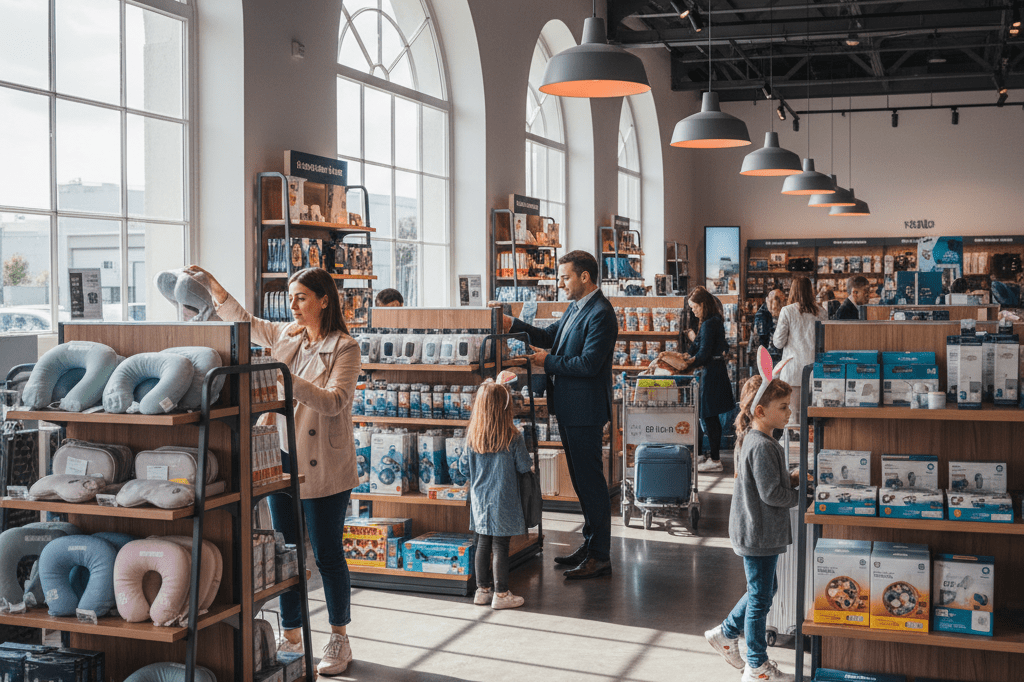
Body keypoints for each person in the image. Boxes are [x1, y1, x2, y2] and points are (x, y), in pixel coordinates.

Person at [186, 265, 360, 676]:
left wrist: (284, 377)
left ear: (323, 300)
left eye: (301, 297)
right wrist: (217, 288)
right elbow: (245, 322)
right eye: (290, 297)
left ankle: (339, 636)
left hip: (325, 462)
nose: (293, 305)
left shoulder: (345, 347)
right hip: (281, 453)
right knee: (288, 548)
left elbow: (336, 401)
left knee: (327, 552)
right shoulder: (287, 334)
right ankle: (293, 633)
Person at [498, 250, 618, 580]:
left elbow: (588, 364)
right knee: (581, 481)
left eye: (565, 277)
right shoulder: (577, 308)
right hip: (570, 408)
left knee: (591, 483)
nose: (560, 283)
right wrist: (513, 325)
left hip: (585, 411)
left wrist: (544, 362)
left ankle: (600, 555)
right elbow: (551, 336)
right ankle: (591, 545)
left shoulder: (601, 314)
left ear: (584, 277)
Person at [705, 375, 800, 682]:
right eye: (783, 407)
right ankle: (756, 665)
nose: (789, 413)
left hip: (759, 532)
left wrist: (793, 478)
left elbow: (769, 482)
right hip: (758, 533)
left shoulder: (759, 439)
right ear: (761, 411)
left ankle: (725, 632)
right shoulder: (762, 445)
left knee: (764, 590)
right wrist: (804, 495)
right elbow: (771, 494)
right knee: (760, 597)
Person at [465, 379, 534, 609]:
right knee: (500, 546)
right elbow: (524, 466)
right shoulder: (513, 437)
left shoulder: (472, 438)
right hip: (503, 499)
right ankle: (502, 594)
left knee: (482, 542)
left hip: (480, 500)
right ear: (505, 408)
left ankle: (482, 590)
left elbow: (463, 469)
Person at [685, 287, 735, 473]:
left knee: (708, 416)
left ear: (703, 305)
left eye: (694, 307)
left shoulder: (708, 324)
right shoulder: (713, 321)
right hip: (716, 371)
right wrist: (688, 355)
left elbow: (703, 353)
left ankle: (714, 459)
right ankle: (710, 457)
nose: (693, 311)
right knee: (709, 415)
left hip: (712, 374)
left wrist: (687, 363)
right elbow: (699, 344)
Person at [773, 276, 826, 423]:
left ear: (793, 291)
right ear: (811, 291)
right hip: (815, 371)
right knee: (813, 416)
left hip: (793, 372)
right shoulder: (822, 312)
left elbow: (778, 342)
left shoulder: (787, 311)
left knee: (792, 418)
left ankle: (794, 446)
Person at [750, 289, 783, 361]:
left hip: (772, 356)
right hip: (769, 356)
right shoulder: (762, 315)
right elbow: (761, 340)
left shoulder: (777, 315)